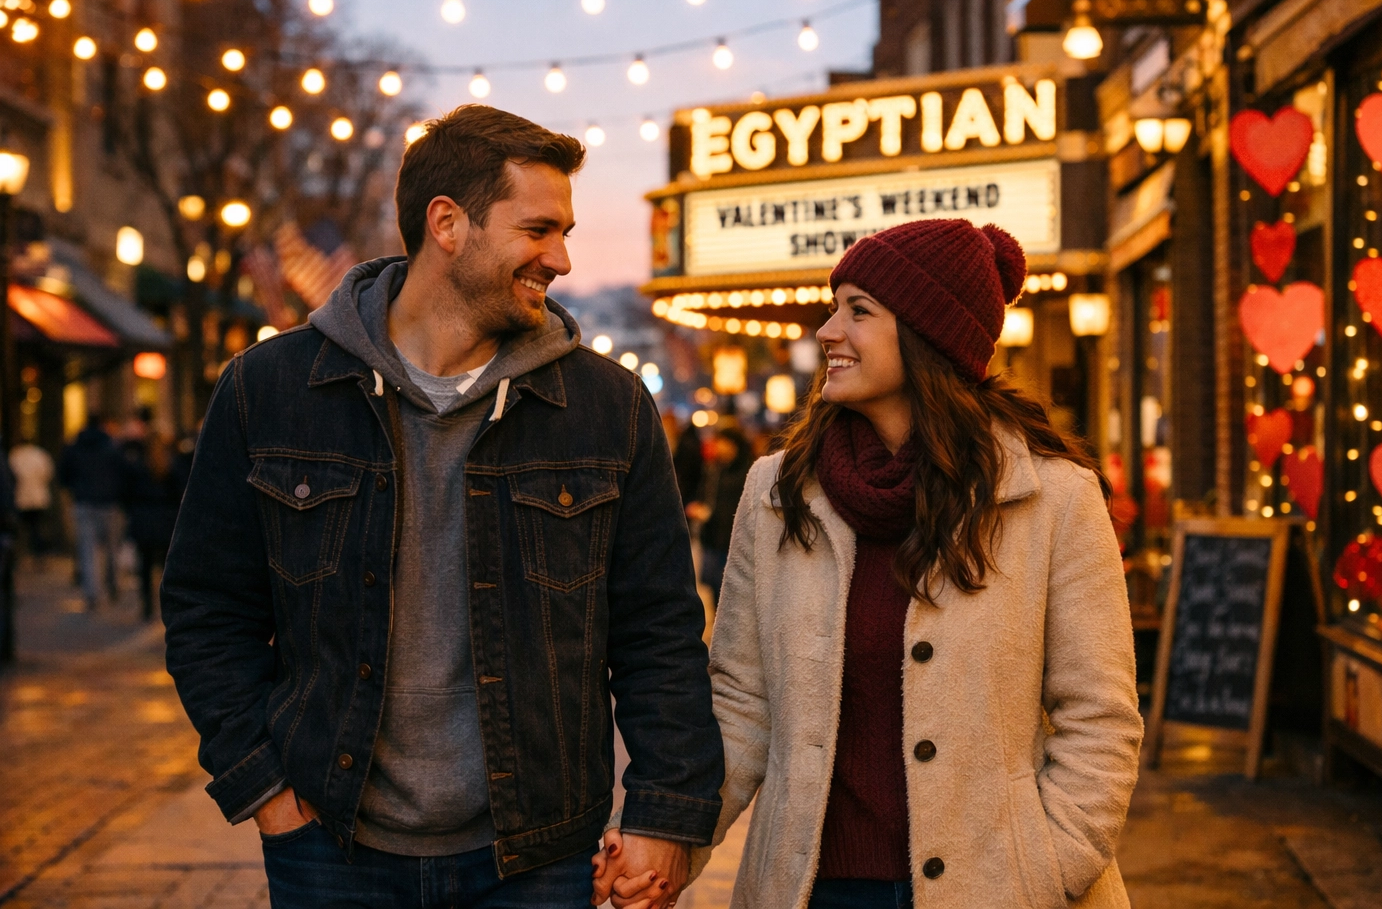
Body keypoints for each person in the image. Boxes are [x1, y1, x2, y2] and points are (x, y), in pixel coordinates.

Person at [161, 105, 722, 909]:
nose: (561, 259)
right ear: (448, 223)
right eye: (538, 230)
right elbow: (207, 609)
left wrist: (666, 815)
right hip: (329, 850)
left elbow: (658, 633)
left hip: (538, 856)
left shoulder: (609, 407)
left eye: (564, 233)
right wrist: (265, 790)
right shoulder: (271, 389)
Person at [595, 219, 1142, 909]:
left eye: (859, 311)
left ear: (927, 334)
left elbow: (1100, 718)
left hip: (999, 889)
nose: (829, 331)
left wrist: (1051, 866)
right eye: (835, 308)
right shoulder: (777, 493)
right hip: (809, 891)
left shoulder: (1052, 498)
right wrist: (668, 841)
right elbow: (740, 706)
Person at [59, 415, 126, 610]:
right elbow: (122, 473)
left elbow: (64, 475)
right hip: (109, 502)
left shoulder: (74, 447)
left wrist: (76, 488)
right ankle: (112, 583)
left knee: (88, 550)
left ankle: (92, 593)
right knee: (112, 547)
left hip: (84, 502)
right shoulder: (112, 446)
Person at [122, 431, 182, 621]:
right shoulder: (171, 465)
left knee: (145, 566)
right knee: (166, 567)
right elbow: (179, 494)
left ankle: (147, 605)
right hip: (165, 521)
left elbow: (127, 493)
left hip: (144, 520)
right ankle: (167, 605)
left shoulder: (137, 466)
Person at [695, 427, 753, 607]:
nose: (720, 446)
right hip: (712, 535)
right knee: (713, 583)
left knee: (732, 586)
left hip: (733, 537)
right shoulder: (714, 469)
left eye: (725, 442)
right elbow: (705, 494)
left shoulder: (746, 471)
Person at [9, 438, 53, 568]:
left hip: (20, 498)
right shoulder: (40, 454)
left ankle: (18, 557)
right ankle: (39, 557)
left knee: (20, 529)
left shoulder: (15, 455)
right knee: (37, 528)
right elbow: (48, 473)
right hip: (38, 498)